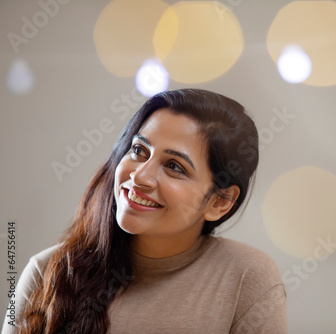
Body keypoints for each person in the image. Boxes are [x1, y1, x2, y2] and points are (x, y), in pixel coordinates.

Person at [2, 89, 287, 334]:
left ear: (219, 201)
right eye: (139, 150)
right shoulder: (45, 271)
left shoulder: (247, 278)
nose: (139, 176)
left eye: (175, 166)